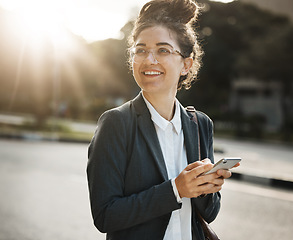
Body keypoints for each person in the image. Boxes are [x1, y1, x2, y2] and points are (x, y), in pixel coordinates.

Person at [87, 0, 239, 239]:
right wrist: (175, 190)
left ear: (186, 65)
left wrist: (207, 188)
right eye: (141, 50)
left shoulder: (200, 124)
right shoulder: (116, 123)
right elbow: (106, 215)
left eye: (163, 50)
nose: (150, 59)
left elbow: (210, 213)